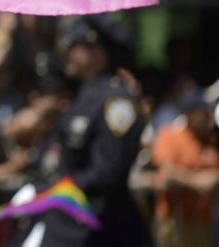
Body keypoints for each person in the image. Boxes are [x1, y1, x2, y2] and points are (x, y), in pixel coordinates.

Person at [27, 15, 150, 246]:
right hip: (69, 222)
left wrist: (57, 191)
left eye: (74, 46)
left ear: (97, 52)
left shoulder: (116, 102)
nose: (67, 54)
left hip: (100, 228)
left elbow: (107, 172)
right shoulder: (85, 96)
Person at [151, 92, 219, 247]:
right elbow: (167, 171)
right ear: (190, 115)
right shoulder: (170, 135)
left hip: (203, 220)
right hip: (174, 219)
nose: (207, 117)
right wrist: (196, 182)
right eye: (203, 113)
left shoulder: (211, 140)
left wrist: (212, 178)